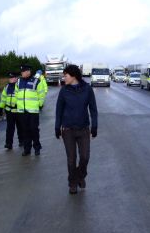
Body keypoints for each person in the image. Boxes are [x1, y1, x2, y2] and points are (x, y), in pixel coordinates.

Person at [55, 65, 98, 194]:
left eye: (65, 75)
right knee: (71, 159)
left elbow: (93, 110)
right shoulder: (64, 91)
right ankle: (72, 183)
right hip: (68, 129)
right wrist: (57, 127)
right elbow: (59, 111)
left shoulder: (87, 89)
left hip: (83, 129)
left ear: (73, 75)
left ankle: (80, 176)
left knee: (85, 157)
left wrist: (94, 126)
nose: (64, 78)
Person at [15, 64, 45, 156]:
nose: (23, 73)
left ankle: (37, 147)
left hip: (33, 111)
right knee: (25, 130)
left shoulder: (37, 81)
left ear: (29, 71)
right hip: (22, 111)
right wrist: (18, 105)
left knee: (34, 129)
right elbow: (16, 94)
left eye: (25, 71)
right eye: (22, 71)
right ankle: (27, 149)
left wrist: (40, 104)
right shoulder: (18, 81)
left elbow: (41, 94)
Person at [0, 72, 23, 150]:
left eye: (13, 78)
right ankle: (8, 144)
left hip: (18, 110)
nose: (11, 79)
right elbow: (3, 98)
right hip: (9, 111)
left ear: (16, 78)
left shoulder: (20, 86)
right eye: (10, 78)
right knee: (9, 128)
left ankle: (21, 141)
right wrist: (0, 107)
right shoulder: (6, 87)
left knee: (20, 127)